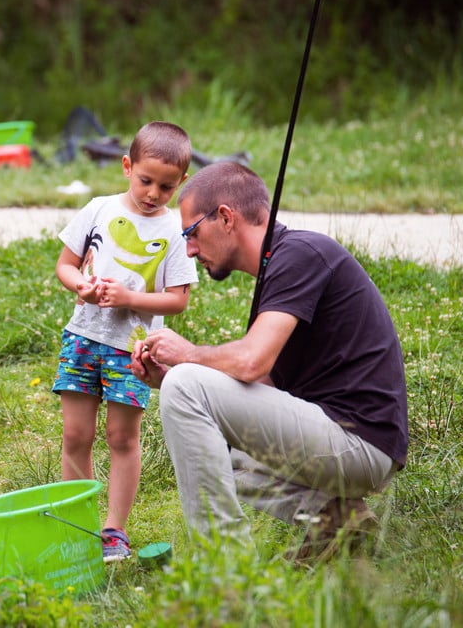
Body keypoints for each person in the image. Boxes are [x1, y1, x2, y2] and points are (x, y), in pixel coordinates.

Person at [131, 161, 408, 562]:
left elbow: (250, 362)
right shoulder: (280, 268)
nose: (189, 249)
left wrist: (187, 360)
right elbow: (263, 387)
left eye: (191, 233)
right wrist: (167, 379)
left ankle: (224, 570)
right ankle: (338, 521)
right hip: (342, 439)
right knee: (215, 442)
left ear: (225, 217)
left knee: (188, 386)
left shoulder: (299, 255)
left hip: (360, 444)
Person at [53, 121, 199, 562]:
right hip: (82, 338)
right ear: (126, 166)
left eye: (167, 186)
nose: (154, 193)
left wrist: (130, 297)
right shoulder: (97, 209)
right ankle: (75, 525)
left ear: (182, 184)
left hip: (132, 349)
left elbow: (178, 301)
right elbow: (66, 266)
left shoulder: (175, 231)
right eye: (145, 180)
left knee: (122, 438)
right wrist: (81, 286)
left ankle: (114, 530)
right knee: (75, 433)